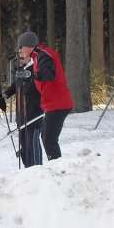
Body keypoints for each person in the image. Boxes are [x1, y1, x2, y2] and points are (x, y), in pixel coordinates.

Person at [21, 31, 74, 160]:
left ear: (29, 46)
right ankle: (55, 165)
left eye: (21, 47)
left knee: (49, 139)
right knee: (46, 135)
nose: (20, 50)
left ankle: (57, 166)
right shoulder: (38, 56)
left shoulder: (43, 55)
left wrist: (33, 75)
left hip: (58, 104)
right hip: (53, 104)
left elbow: (49, 74)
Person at [0, 36, 44, 167]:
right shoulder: (22, 70)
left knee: (32, 145)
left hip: (34, 116)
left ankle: (38, 171)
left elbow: (36, 88)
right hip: (22, 116)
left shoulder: (37, 69)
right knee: (25, 147)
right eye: (19, 53)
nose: (19, 56)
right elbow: (16, 86)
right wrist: (4, 96)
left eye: (22, 52)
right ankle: (28, 172)